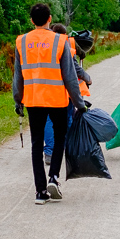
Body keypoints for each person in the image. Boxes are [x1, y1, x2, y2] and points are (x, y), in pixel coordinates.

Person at [13, 4, 86, 204]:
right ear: (50, 19)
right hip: (57, 99)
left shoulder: (22, 41)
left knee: (37, 143)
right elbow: (70, 78)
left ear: (31, 21)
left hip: (33, 99)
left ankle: (40, 191)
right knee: (60, 137)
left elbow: (18, 76)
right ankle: (53, 177)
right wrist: (79, 103)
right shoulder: (60, 41)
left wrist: (18, 99)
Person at [42, 24, 91, 165]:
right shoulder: (69, 43)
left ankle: (49, 152)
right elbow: (77, 67)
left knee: (48, 120)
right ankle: (69, 147)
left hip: (46, 89)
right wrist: (87, 78)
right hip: (65, 90)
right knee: (69, 117)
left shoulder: (45, 44)